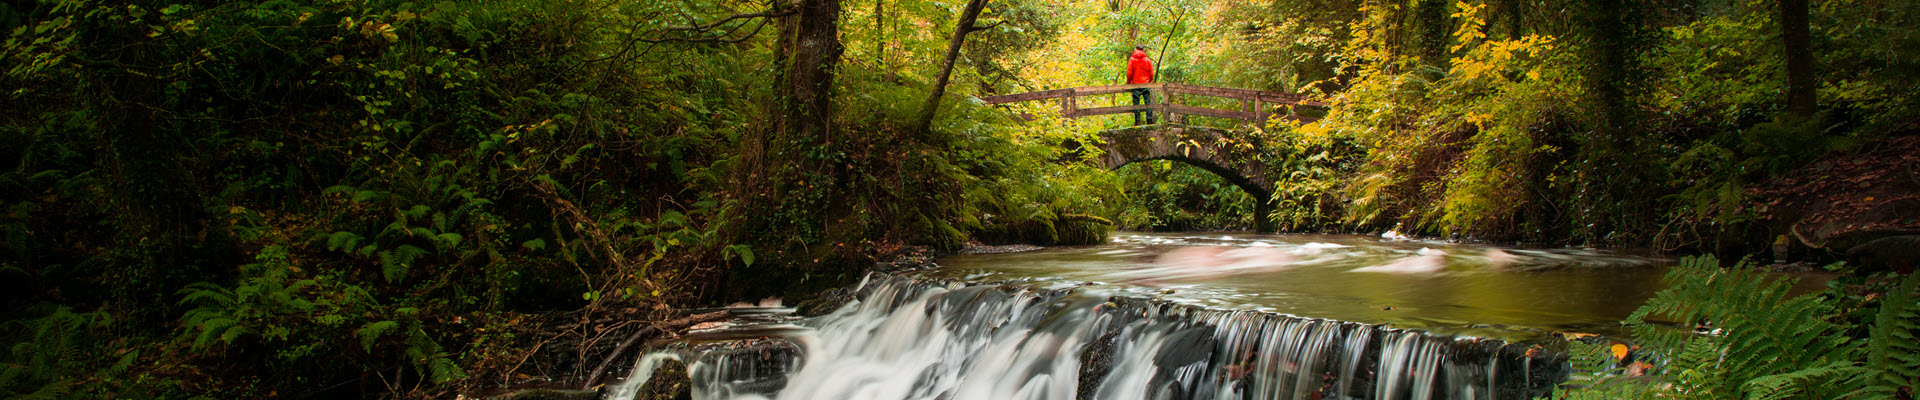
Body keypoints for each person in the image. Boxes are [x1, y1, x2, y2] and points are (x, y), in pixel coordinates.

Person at [1124, 45, 1156, 125]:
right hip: (1146, 83)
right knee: (1147, 102)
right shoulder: (1147, 60)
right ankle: (1149, 120)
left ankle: (1137, 121)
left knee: (1136, 103)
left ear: (1136, 49)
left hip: (1136, 84)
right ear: (1143, 50)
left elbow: (1129, 73)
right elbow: (1151, 72)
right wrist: (1150, 81)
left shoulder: (1132, 60)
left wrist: (1128, 83)